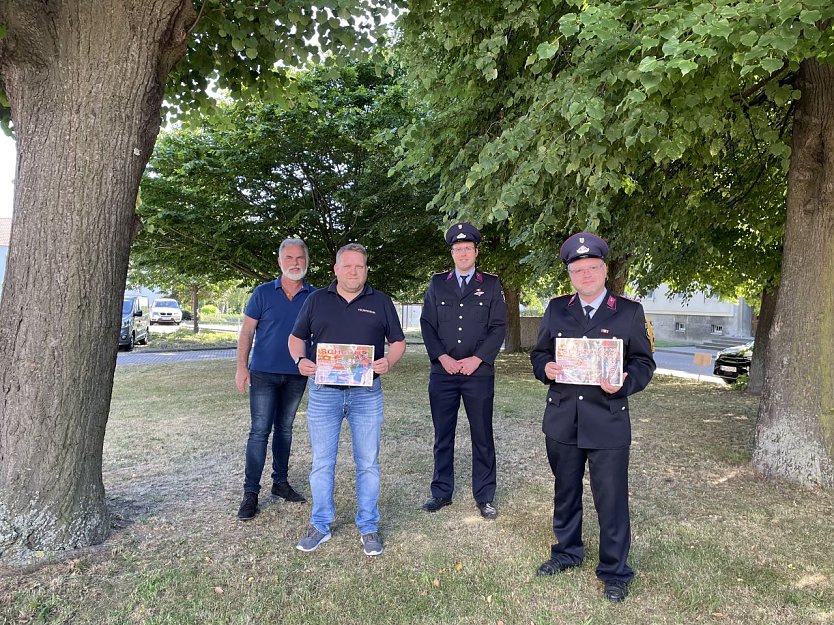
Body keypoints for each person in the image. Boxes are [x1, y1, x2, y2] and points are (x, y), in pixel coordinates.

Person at [530, 232, 655, 603]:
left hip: (607, 419)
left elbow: (644, 363)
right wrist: (546, 368)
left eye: (592, 268)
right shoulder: (556, 309)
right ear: (570, 275)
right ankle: (567, 552)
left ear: (604, 271)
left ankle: (615, 571)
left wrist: (625, 382)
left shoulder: (629, 312)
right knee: (565, 493)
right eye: (578, 270)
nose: (585, 275)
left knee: (611, 499)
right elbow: (539, 355)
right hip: (563, 419)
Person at [288, 243, 406, 556]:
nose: (354, 271)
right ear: (336, 270)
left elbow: (397, 342)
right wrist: (301, 361)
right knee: (322, 463)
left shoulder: (380, 301)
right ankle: (320, 524)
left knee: (367, 463)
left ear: (366, 270)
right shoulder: (315, 300)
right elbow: (296, 338)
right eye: (348, 266)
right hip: (323, 394)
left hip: (367, 395)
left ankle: (368, 526)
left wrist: (388, 362)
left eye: (360, 266)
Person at [420, 223, 507, 519]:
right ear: (452, 253)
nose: (463, 253)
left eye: (468, 248)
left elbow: (498, 327)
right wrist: (442, 357)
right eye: (458, 249)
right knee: (443, 435)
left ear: (476, 252)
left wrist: (478, 359)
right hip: (443, 373)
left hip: (477, 373)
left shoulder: (492, 284)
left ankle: (484, 496)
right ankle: (441, 492)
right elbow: (427, 325)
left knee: (482, 435)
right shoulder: (437, 283)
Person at [235, 238, 315, 521]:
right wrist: (241, 368)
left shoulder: (315, 296)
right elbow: (246, 333)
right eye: (289, 258)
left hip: (298, 375)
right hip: (264, 373)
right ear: (280, 262)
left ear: (307, 261)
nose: (295, 263)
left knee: (285, 430)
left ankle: (280, 483)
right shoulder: (262, 293)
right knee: (259, 431)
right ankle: (251, 493)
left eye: (300, 258)